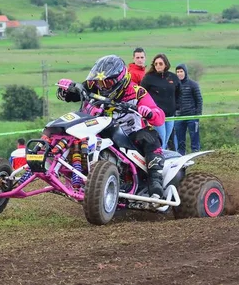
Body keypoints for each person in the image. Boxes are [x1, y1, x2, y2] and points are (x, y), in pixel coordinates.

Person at [57, 54, 166, 198]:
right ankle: (56, 161)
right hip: (99, 128)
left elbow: (160, 117)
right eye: (99, 82)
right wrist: (68, 89)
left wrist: (150, 113)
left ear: (120, 80)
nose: (101, 86)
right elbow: (76, 94)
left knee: (150, 136)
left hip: (130, 134)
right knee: (74, 132)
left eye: (107, 83)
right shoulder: (93, 85)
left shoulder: (137, 92)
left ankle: (155, 181)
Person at [141, 53, 180, 150]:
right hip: (156, 115)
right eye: (156, 64)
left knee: (166, 140)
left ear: (166, 64)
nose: (158, 66)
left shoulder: (173, 77)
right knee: (160, 140)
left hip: (170, 114)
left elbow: (179, 93)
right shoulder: (148, 78)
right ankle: (159, 161)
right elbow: (142, 94)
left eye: (160, 64)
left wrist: (177, 106)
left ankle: (162, 159)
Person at [174, 63, 203, 155]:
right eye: (177, 72)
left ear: (185, 72)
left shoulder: (193, 84)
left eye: (181, 71)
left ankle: (196, 155)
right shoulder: (174, 86)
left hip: (192, 116)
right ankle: (181, 157)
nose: (179, 73)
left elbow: (199, 99)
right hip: (179, 117)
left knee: (194, 138)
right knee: (180, 140)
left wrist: (197, 114)